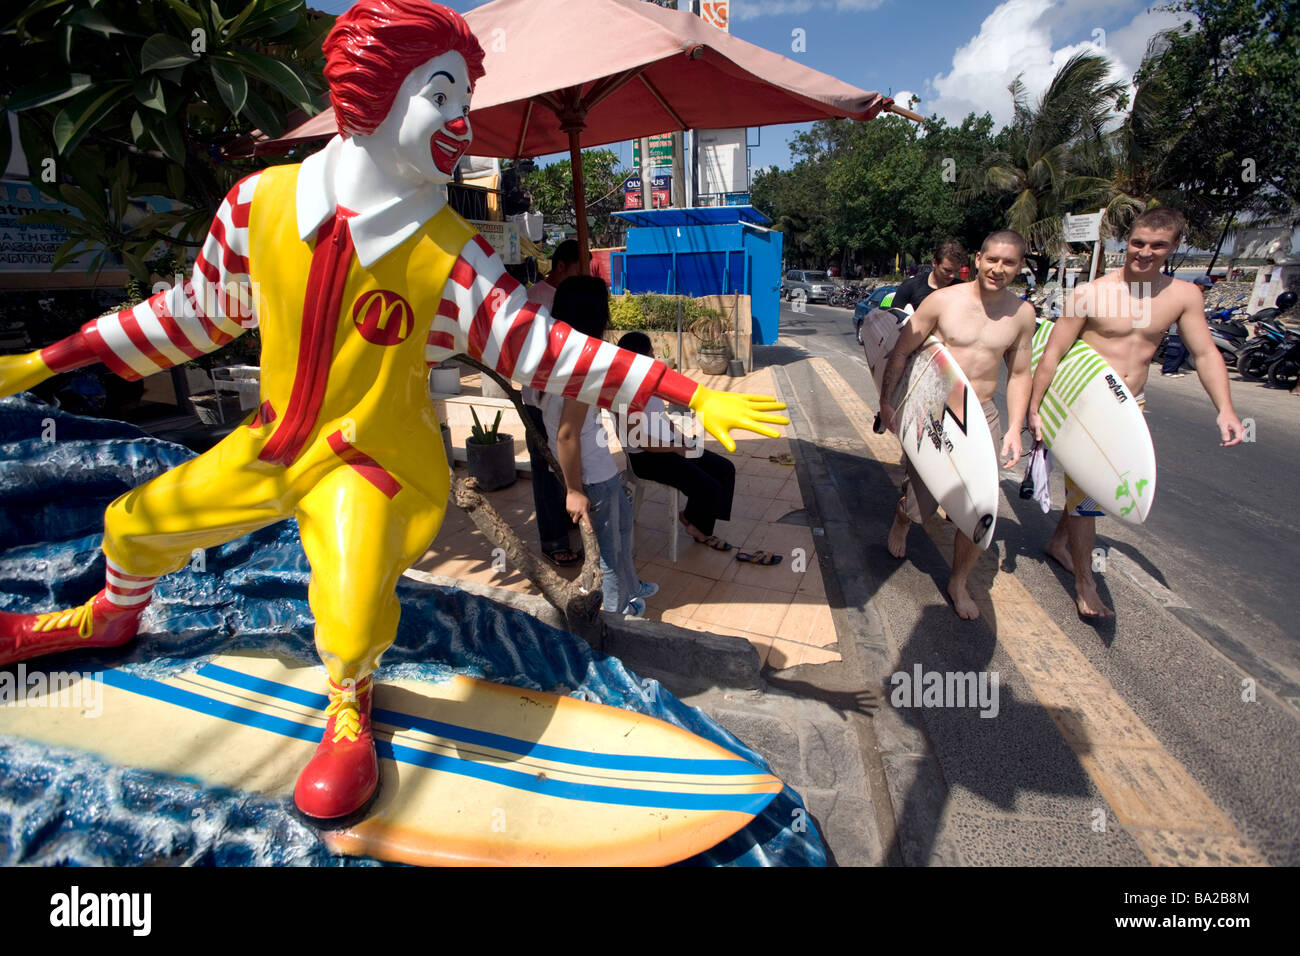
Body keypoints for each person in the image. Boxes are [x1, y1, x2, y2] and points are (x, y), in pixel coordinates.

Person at [0, 0, 787, 824]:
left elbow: (543, 351)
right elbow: (187, 316)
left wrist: (688, 392)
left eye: (464, 102)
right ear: (369, 95)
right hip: (269, 447)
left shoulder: (452, 253)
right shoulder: (256, 205)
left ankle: (349, 709)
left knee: (346, 597)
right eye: (441, 95)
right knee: (134, 520)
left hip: (374, 467)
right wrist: (46, 359)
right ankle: (107, 618)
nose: (459, 123)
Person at [1029, 207, 1243, 617]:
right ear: (1126, 240)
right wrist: (1035, 409)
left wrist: (1226, 409)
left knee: (1093, 487)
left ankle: (1060, 543)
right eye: (1138, 242)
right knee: (1089, 495)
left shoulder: (1183, 296)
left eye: (1157, 245)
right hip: (1083, 407)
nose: (1144, 252)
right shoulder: (1091, 293)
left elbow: (1204, 353)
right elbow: (1052, 353)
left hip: (1129, 408)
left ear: (1175, 246)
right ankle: (1086, 583)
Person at [880, 230, 1037, 620]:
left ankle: (959, 582)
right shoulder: (942, 301)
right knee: (921, 507)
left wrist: (1016, 426)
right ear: (979, 259)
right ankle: (903, 520)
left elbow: (1019, 374)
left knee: (980, 506)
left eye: (1009, 263)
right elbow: (902, 352)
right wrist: (887, 403)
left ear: (1020, 267)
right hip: (934, 408)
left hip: (982, 412)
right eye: (993, 260)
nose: (999, 269)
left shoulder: (1022, 314)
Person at [542, 278, 657, 618]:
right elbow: (566, 434)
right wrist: (574, 490)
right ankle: (616, 613)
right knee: (608, 551)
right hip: (590, 475)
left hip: (601, 466)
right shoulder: (584, 368)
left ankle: (632, 587)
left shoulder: (555, 355)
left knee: (623, 532)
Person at [616, 332, 737, 552]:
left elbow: (661, 417)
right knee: (707, 484)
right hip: (647, 458)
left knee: (725, 469)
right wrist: (676, 449)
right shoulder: (624, 392)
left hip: (671, 446)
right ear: (639, 357)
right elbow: (639, 439)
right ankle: (700, 529)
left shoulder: (648, 384)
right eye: (650, 352)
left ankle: (692, 518)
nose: (654, 356)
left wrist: (681, 438)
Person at [522, 239, 585, 566]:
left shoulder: (572, 295)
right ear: (561, 265)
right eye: (578, 268)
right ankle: (553, 540)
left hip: (568, 394)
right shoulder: (534, 300)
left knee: (569, 460)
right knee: (546, 466)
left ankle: (567, 519)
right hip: (539, 397)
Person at [890, 241, 969, 313]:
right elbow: (892, 321)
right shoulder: (910, 287)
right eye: (947, 270)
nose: (952, 276)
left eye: (956, 271)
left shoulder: (962, 290)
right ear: (934, 263)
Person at [1162, 274, 1213, 376]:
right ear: (1198, 285)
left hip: (1187, 330)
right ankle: (1168, 370)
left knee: (1183, 351)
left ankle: (1174, 369)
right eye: (1205, 286)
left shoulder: (1197, 296)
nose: (1206, 289)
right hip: (1177, 328)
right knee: (1175, 350)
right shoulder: (1186, 294)